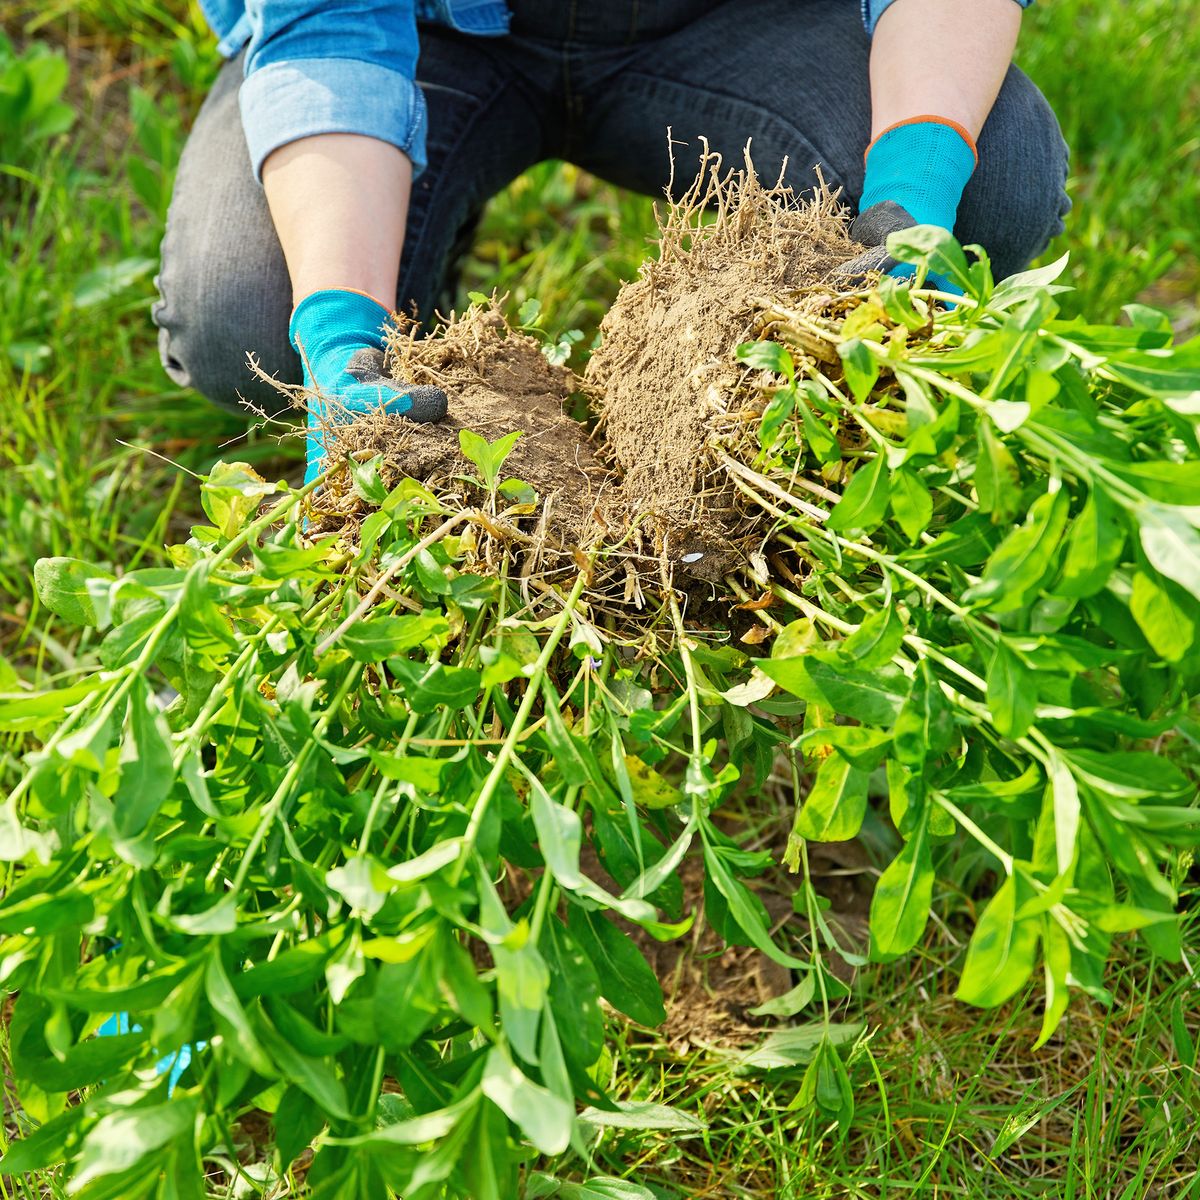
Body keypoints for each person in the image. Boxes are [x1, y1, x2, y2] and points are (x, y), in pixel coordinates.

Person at [151, 0, 1069, 483]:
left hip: (733, 26)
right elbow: (330, 22)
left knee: (995, 183)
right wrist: (343, 326)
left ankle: (782, 415)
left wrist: (910, 204)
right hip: (432, 35)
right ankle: (416, 335)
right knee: (252, 320)